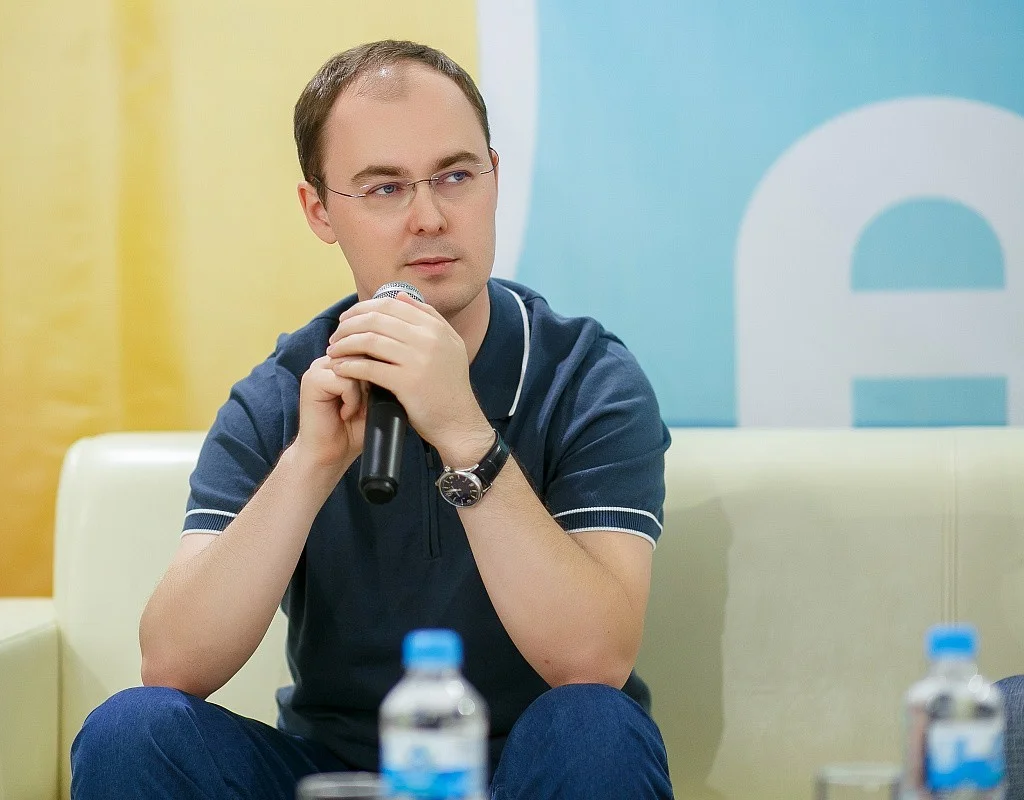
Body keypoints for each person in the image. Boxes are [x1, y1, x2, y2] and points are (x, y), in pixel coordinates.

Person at [70, 40, 673, 800]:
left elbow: (596, 659)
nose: (429, 217)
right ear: (319, 211)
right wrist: (311, 462)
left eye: (456, 175)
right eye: (384, 188)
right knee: (133, 732)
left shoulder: (585, 377)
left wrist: (466, 435)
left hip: (531, 775)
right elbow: (173, 664)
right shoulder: (281, 393)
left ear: (494, 176)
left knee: (596, 726)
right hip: (334, 775)